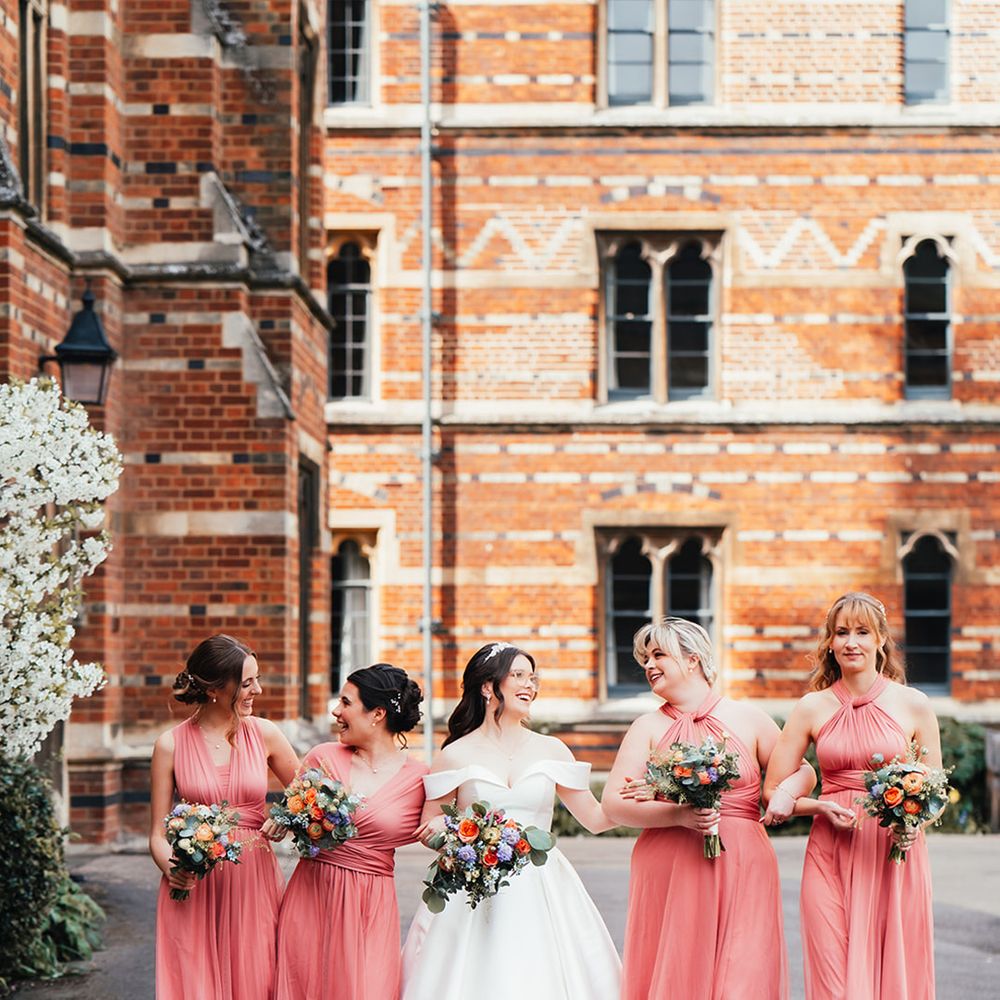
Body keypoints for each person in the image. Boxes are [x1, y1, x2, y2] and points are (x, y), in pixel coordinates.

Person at [602, 617, 815, 1000]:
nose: (648, 665)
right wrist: (678, 815)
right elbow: (614, 804)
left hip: (744, 861)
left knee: (744, 969)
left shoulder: (748, 718)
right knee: (679, 967)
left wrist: (785, 793)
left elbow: (802, 769)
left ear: (693, 659)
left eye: (658, 655)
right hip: (670, 863)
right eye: (644, 659)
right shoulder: (646, 727)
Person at [401, 642, 621, 1000]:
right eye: (518, 676)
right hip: (474, 883)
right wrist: (457, 835)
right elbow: (431, 828)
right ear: (488, 687)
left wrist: (649, 803)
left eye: (532, 678)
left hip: (542, 883)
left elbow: (595, 818)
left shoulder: (552, 749)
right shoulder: (454, 754)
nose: (529, 686)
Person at [764, 592, 941, 1000]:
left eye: (862, 632)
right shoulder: (812, 707)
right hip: (829, 851)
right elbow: (772, 789)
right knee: (831, 972)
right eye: (841, 632)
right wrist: (816, 806)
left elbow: (935, 791)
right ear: (829, 642)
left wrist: (915, 825)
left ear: (881, 640)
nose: (851, 642)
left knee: (892, 966)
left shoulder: (914, 705)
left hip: (891, 852)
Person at [150, 634, 300, 1000]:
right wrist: (172, 869)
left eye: (257, 679)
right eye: (247, 683)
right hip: (194, 884)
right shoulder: (170, 744)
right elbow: (156, 833)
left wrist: (284, 815)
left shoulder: (266, 734)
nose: (258, 690)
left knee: (258, 976)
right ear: (217, 688)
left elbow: (308, 800)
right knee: (194, 983)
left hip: (253, 880)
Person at [274, 663, 428, 1000]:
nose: (335, 710)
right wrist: (284, 819)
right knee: (305, 984)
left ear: (376, 714)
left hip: (370, 907)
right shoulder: (322, 758)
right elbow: (292, 814)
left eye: (345, 702)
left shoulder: (421, 780)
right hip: (313, 895)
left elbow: (443, 832)